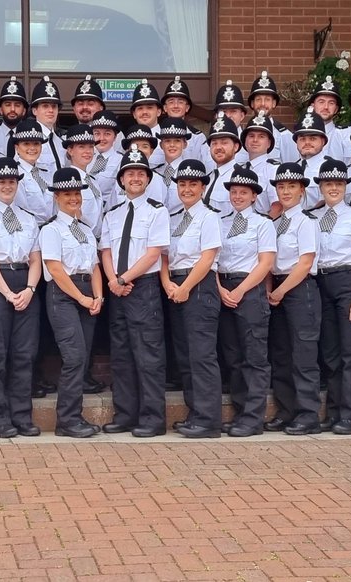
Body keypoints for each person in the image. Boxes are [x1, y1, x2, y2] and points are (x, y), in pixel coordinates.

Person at [100, 148, 171, 438]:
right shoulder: (112, 214)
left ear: (148, 178)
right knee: (122, 354)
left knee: (148, 355)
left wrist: (125, 278)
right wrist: (113, 281)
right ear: (121, 180)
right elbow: (105, 250)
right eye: (130, 174)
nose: (135, 178)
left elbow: (154, 252)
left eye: (141, 173)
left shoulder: (157, 211)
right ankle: (126, 415)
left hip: (143, 287)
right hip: (116, 287)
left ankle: (152, 419)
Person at [0, 158, 43, 438]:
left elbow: (36, 259)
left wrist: (29, 290)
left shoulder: (28, 219)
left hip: (25, 283)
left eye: (11, 182)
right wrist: (8, 293)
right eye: (1, 181)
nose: (6, 186)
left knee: (24, 355)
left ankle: (21, 416)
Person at [160, 159, 223, 438]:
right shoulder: (173, 218)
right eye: (182, 184)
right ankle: (194, 413)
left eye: (192, 184)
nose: (186, 189)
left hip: (198, 286)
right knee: (185, 356)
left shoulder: (209, 216)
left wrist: (184, 286)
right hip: (176, 286)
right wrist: (169, 284)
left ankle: (209, 420)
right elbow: (163, 256)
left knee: (202, 355)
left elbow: (208, 257)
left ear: (203, 187)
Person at [312, 158, 351, 435]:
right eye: (328, 184)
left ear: (345, 186)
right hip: (321, 282)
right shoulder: (312, 217)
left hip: (349, 281)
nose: (333, 188)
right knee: (330, 353)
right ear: (321, 187)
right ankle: (335, 412)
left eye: (338, 183)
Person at [39, 169, 103, 438]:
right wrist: (82, 297)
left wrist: (98, 296)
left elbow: (95, 266)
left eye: (76, 193)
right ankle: (67, 420)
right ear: (56, 197)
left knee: (83, 357)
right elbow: (55, 269)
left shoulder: (86, 229)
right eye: (67, 194)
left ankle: (74, 416)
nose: (73, 198)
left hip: (88, 292)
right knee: (74, 356)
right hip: (65, 295)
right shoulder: (52, 229)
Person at [215, 165, 277, 437]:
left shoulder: (263, 223)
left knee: (254, 357)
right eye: (234, 192)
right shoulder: (221, 222)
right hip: (223, 289)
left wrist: (240, 290)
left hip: (249, 289)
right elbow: (213, 259)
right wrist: (220, 289)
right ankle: (240, 412)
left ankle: (253, 418)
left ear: (254, 196)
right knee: (233, 356)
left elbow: (266, 263)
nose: (238, 196)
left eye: (244, 192)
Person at [264, 162, 323, 435]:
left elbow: (305, 262)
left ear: (302, 190)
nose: (285, 191)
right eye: (281, 186)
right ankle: (286, 411)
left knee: (303, 355)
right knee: (281, 354)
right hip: (275, 288)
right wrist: (270, 288)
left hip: (299, 290)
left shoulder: (306, 221)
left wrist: (280, 290)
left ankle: (308, 414)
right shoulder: (275, 222)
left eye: (291, 186)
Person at [247, 71, 298, 163]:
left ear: (274, 103)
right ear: (252, 103)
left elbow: (291, 168)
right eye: (258, 99)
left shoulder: (284, 135)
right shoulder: (246, 134)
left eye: (267, 99)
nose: (262, 104)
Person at [12, 118, 55, 221]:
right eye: (26, 144)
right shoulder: (14, 175)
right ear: (17, 147)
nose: (32, 148)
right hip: (30, 230)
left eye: (36, 143)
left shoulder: (47, 173)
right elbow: (20, 211)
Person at [202, 114, 242, 213]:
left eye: (224, 142)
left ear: (236, 147)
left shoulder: (241, 179)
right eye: (214, 143)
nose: (218, 147)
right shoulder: (209, 178)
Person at [161, 76, 207, 162]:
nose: (175, 106)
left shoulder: (197, 137)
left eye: (180, 102)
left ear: (187, 107)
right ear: (165, 108)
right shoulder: (157, 135)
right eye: (171, 102)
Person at [29, 76, 66, 173]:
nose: (50, 110)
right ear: (34, 110)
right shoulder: (27, 142)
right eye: (45, 106)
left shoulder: (62, 142)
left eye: (54, 106)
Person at [0, 76, 29, 159]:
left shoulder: (32, 137)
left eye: (17, 105)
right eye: (8, 105)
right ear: (0, 110)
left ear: (24, 111)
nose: (12, 109)